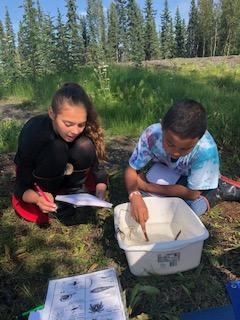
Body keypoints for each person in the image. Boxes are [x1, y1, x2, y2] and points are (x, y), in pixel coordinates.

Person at [124, 99, 240, 234]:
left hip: (194, 185)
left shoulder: (206, 150)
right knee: (146, 203)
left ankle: (219, 189)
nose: (175, 152)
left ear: (199, 139)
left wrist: (145, 186)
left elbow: (192, 193)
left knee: (190, 210)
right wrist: (135, 195)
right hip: (169, 170)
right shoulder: (152, 134)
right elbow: (131, 169)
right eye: (170, 143)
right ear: (162, 126)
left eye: (185, 148)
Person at [12, 82, 108, 223]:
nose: (75, 131)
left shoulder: (82, 128)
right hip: (39, 181)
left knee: (85, 144)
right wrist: (38, 199)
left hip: (66, 175)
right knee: (57, 148)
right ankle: (51, 197)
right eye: (68, 124)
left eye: (81, 124)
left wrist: (100, 188)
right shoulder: (34, 134)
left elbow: (97, 167)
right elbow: (20, 186)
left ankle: (73, 193)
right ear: (52, 113)